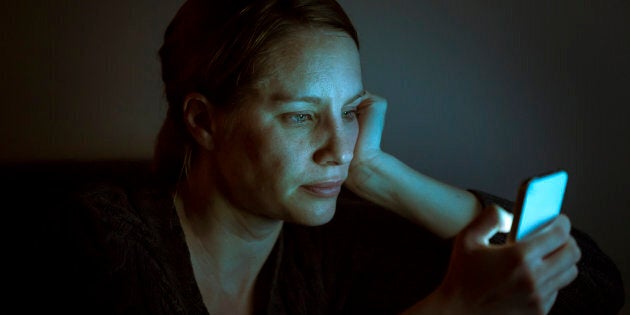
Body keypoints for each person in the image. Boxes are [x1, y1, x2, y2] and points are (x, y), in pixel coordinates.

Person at [51, 0, 622, 314]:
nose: (338, 148)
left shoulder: (329, 239)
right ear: (203, 120)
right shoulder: (97, 241)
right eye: (300, 116)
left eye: (349, 111)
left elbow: (590, 289)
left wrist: (382, 176)